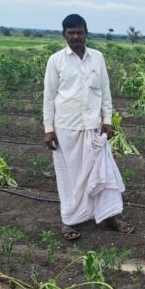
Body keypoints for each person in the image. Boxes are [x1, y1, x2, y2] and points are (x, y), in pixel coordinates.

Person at [43, 14, 133, 240]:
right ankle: (70, 222)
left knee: (103, 173)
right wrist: (48, 128)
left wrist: (107, 121)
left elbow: (105, 93)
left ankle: (109, 217)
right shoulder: (56, 61)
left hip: (94, 128)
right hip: (66, 129)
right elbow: (48, 97)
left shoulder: (98, 58)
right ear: (64, 34)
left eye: (79, 32)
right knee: (69, 178)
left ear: (86, 33)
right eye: (71, 32)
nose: (75, 36)